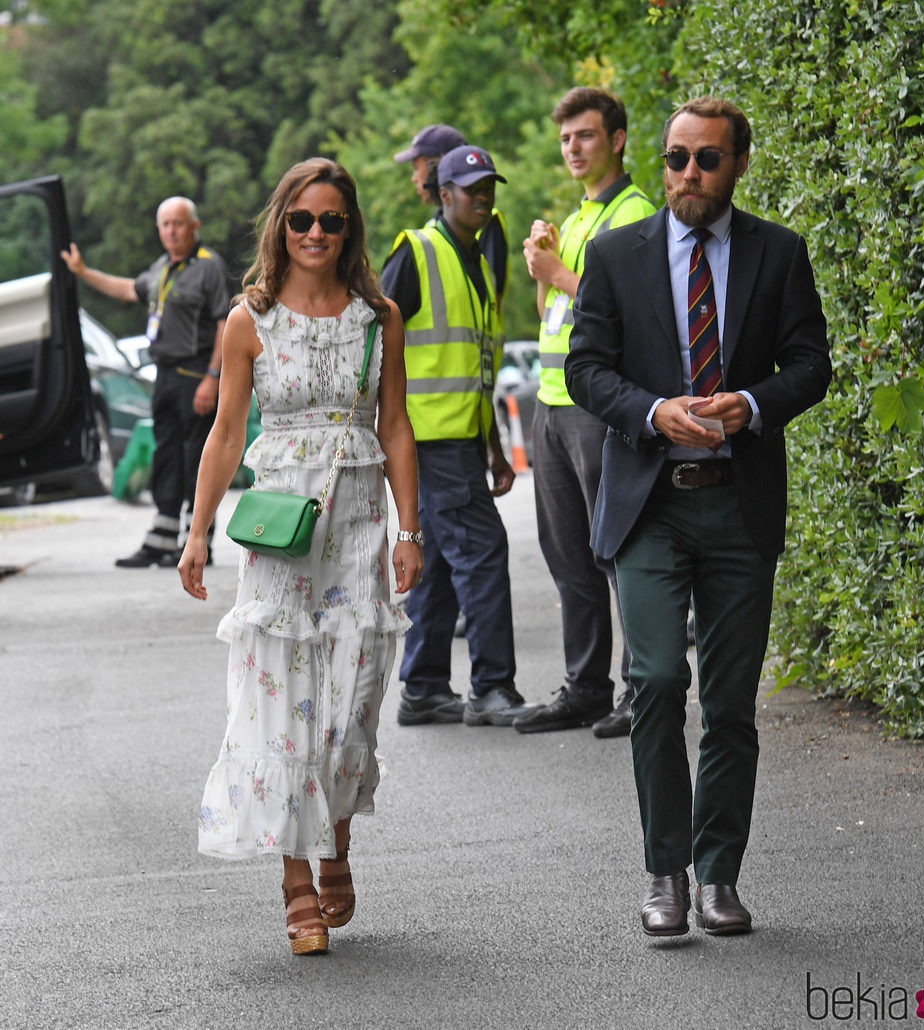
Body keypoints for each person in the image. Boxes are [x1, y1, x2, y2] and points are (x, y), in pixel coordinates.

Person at [565, 97, 831, 937]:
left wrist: (750, 404)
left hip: (739, 507)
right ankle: (663, 874)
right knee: (654, 684)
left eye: (705, 160)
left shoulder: (778, 252)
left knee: (729, 702)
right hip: (650, 504)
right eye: (677, 158)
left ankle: (718, 877)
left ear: (737, 164)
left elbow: (811, 364)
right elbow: (586, 370)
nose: (687, 175)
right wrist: (652, 412)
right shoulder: (614, 254)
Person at [177, 157, 422, 956]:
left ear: (350, 230)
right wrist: (197, 530)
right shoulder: (249, 320)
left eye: (333, 221)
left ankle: (337, 841)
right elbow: (225, 433)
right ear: (280, 223)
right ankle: (294, 882)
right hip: (282, 536)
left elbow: (395, 427)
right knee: (284, 703)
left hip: (357, 527)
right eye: (302, 219)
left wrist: (410, 531)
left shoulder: (377, 317)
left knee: (351, 696)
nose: (316, 233)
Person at [514, 87, 655, 739]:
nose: (574, 148)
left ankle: (641, 690)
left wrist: (557, 271)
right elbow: (553, 316)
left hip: (599, 409)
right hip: (550, 407)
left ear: (617, 140)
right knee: (568, 553)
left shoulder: (634, 211)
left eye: (587, 136)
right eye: (567, 138)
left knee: (619, 552)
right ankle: (586, 687)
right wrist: (544, 267)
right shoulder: (576, 219)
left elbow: (637, 310)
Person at [381, 144, 529, 728]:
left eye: (489, 187)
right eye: (472, 189)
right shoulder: (418, 252)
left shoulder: (476, 260)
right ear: (444, 195)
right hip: (429, 438)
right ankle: (492, 688)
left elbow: (477, 365)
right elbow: (379, 339)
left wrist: (492, 443)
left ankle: (422, 688)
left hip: (460, 436)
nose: (484, 197)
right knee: (484, 554)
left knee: (441, 561)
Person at [61, 198, 230, 567]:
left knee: (195, 459)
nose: (171, 231)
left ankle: (197, 541)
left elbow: (223, 322)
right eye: (165, 224)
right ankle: (162, 539)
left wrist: (212, 378)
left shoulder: (208, 266)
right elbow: (126, 289)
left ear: (194, 226)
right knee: (165, 455)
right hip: (165, 376)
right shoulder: (160, 269)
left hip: (196, 375)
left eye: (178, 224)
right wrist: (83, 271)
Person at [394, 123, 510, 309]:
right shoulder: (425, 238)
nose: (414, 177)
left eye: (418, 167)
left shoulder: (485, 221)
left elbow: (488, 303)